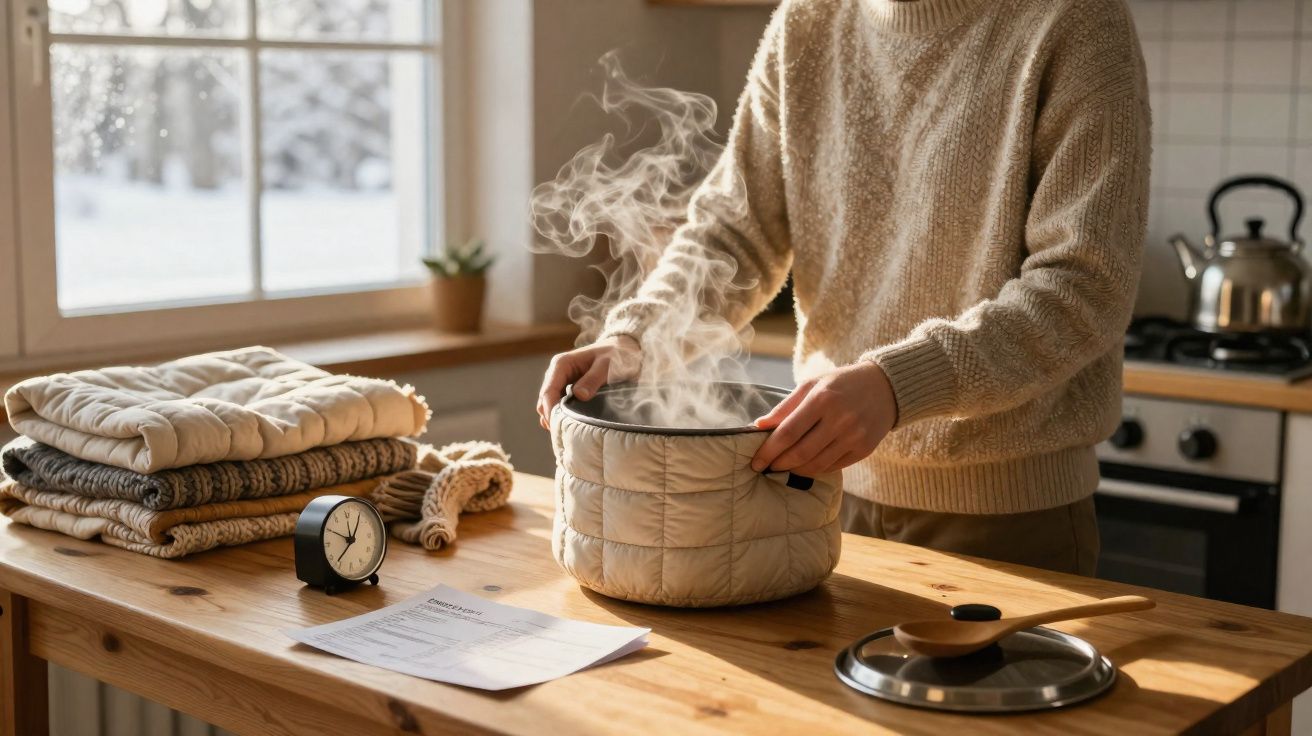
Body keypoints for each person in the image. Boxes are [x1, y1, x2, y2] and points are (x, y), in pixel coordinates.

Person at [537, 0, 1150, 576]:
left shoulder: (1075, 21)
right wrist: (637, 337)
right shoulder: (807, 20)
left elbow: (1085, 284)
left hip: (1008, 515)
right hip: (820, 495)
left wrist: (896, 387)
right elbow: (731, 237)